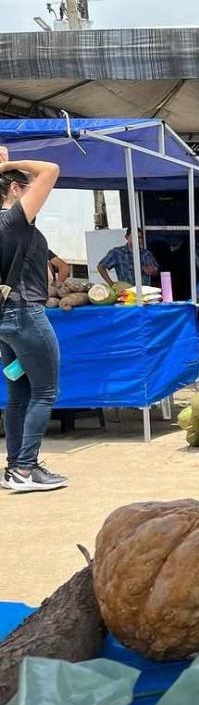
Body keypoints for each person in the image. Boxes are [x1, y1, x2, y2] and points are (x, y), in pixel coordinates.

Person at [0, 147, 68, 492]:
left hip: (6, 320)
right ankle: (24, 469)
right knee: (44, 392)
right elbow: (50, 169)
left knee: (19, 394)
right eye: (25, 188)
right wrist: (8, 165)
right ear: (14, 190)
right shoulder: (11, 220)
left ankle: (16, 467)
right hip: (25, 314)